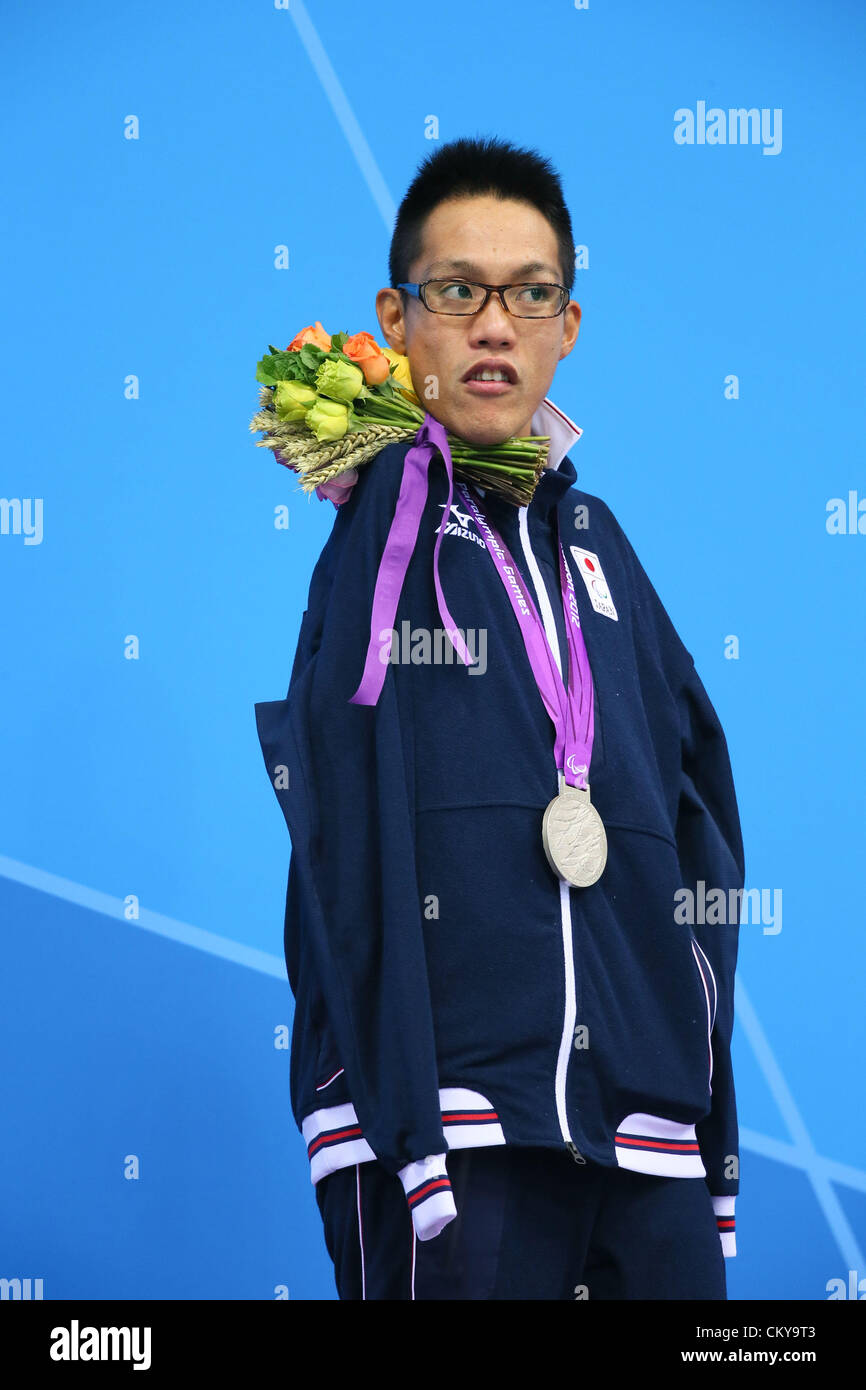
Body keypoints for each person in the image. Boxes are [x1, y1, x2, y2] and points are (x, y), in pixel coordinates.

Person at [255, 136, 745, 1301]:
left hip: (642, 1132)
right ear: (398, 315)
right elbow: (341, 820)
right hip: (454, 1128)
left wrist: (700, 1107)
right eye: (456, 291)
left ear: (566, 323)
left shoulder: (598, 546)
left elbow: (699, 823)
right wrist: (401, 1121)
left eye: (528, 293)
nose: (492, 326)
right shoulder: (382, 537)